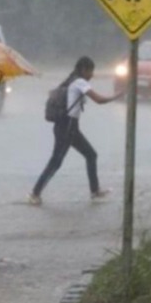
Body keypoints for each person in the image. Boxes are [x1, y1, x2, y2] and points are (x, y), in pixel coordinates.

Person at [28, 56, 123, 206]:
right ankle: (35, 193)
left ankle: (95, 191)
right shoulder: (79, 81)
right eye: (91, 71)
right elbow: (99, 100)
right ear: (84, 69)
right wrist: (117, 96)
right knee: (56, 161)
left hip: (70, 127)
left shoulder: (71, 80)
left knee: (91, 155)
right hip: (67, 127)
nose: (92, 75)